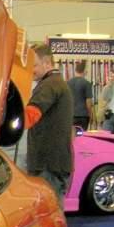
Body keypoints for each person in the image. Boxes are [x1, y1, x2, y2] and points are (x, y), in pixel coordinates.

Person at [24, 44, 74, 204]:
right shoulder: (57, 83)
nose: (31, 70)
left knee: (47, 211)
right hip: (54, 163)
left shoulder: (49, 85)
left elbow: (30, 116)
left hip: (47, 165)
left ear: (47, 63)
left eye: (34, 65)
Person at [66, 61, 93, 130]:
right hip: (83, 116)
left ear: (76, 70)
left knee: (72, 135)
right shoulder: (87, 83)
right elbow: (88, 102)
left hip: (71, 115)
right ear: (85, 71)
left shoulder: (68, 83)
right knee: (81, 135)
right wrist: (91, 115)